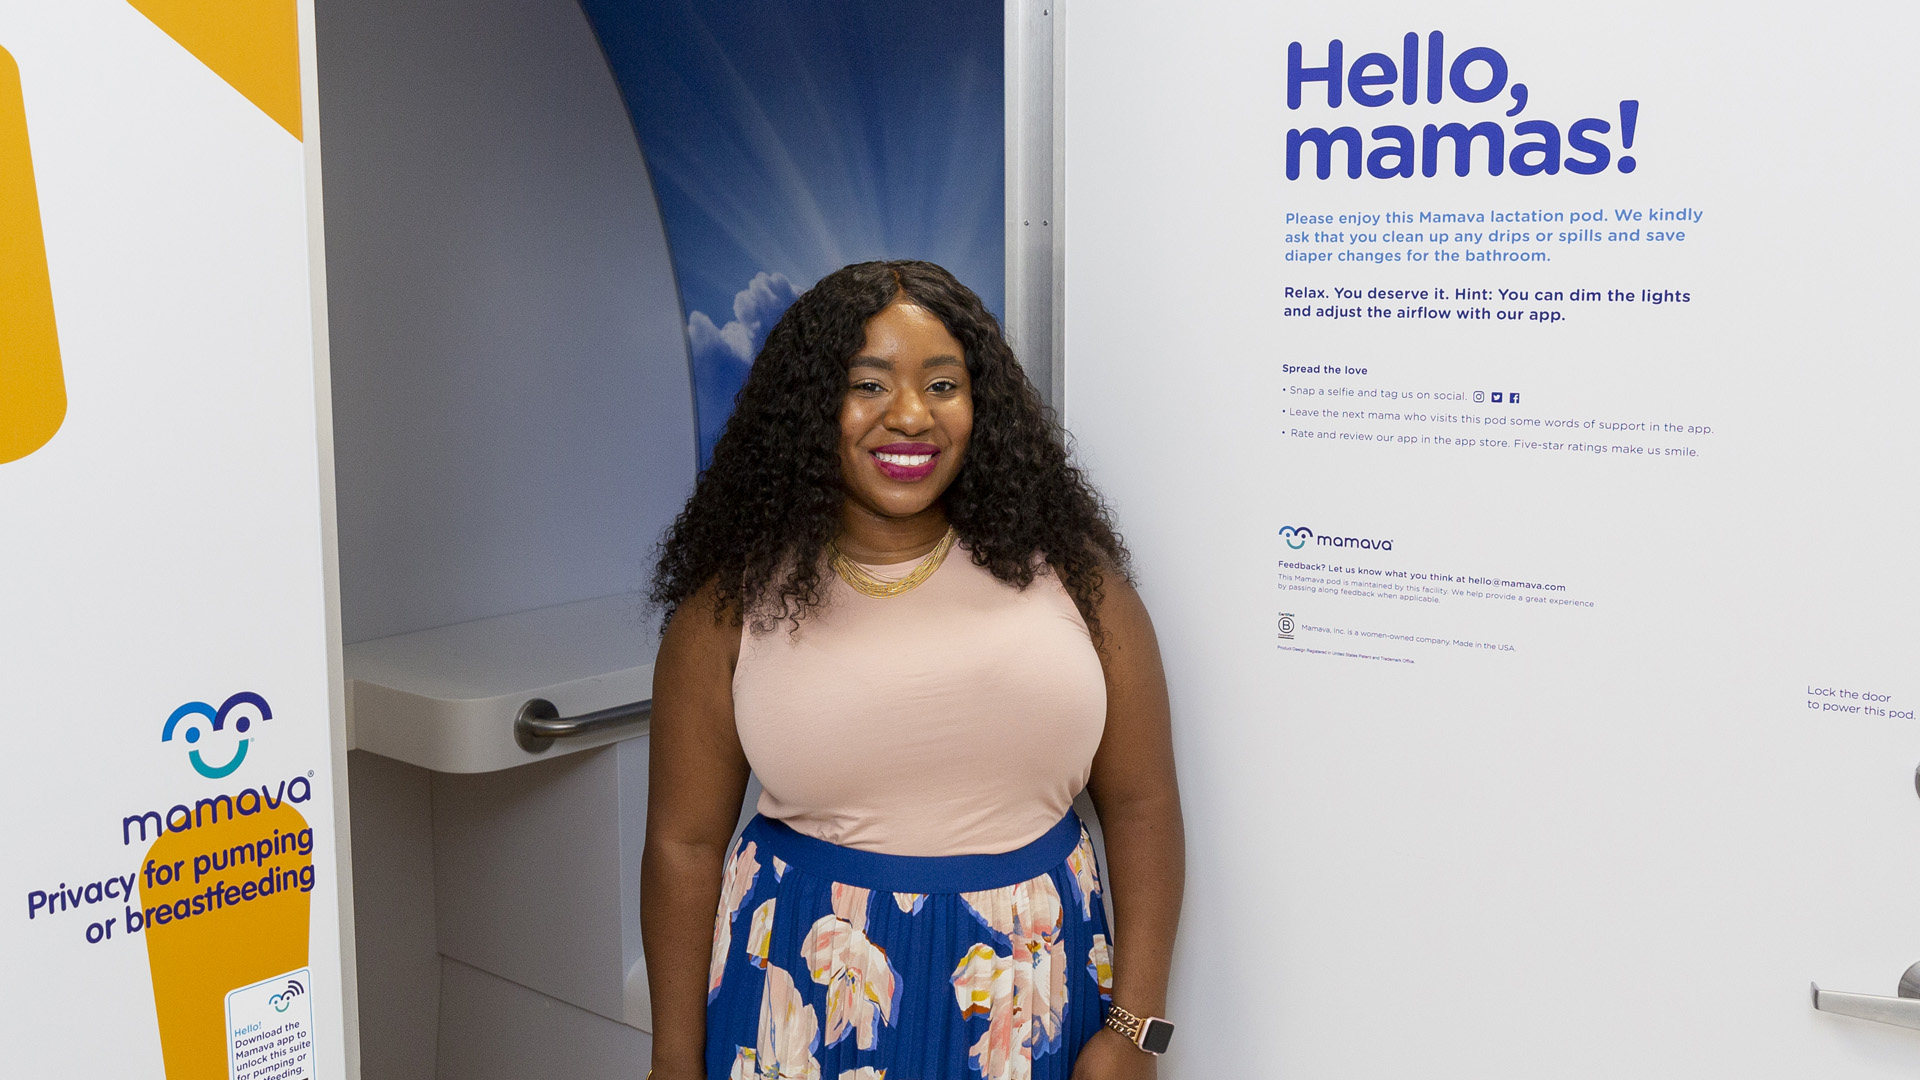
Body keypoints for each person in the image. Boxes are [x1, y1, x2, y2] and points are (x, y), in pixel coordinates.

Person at [643, 260, 1183, 1080]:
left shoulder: (1079, 586)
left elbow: (1143, 808)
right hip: (805, 994)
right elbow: (683, 847)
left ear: (982, 407)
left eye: (942, 385)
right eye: (868, 384)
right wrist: (672, 1065)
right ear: (810, 407)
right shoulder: (728, 612)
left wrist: (1139, 1032)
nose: (909, 416)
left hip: (1032, 999)